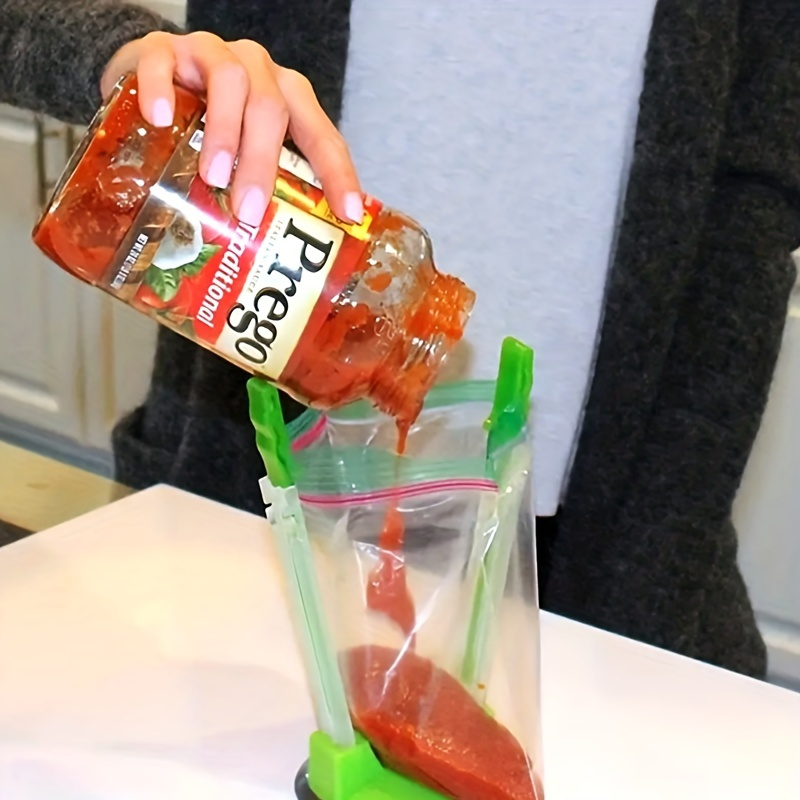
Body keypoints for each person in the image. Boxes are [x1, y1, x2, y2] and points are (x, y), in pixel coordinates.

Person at [3, 0, 799, 678]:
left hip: (617, 565)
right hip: (243, 523)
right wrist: (122, 53)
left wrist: (656, 578)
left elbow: (757, 200)